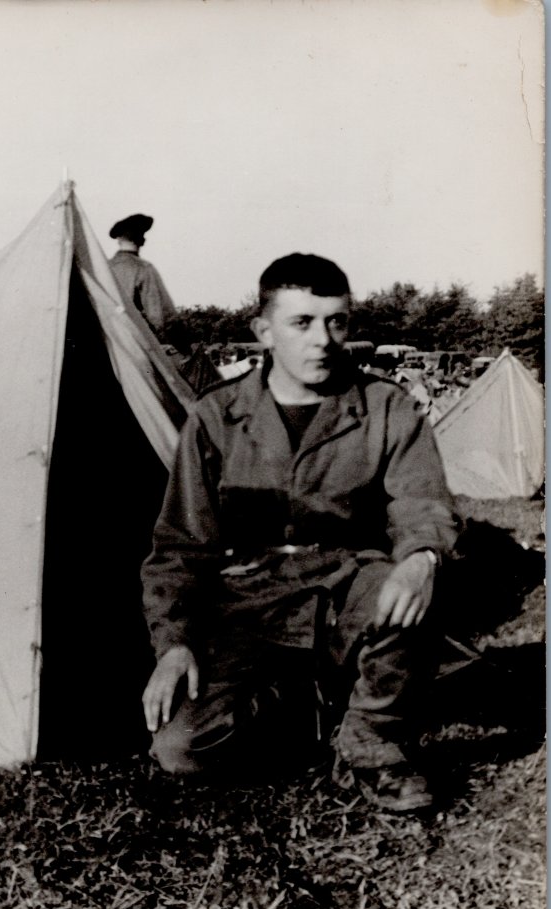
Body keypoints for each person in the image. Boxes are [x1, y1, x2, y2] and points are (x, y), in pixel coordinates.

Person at [140, 253, 459, 813]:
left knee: (404, 582)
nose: (323, 339)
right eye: (302, 323)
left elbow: (422, 503)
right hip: (247, 601)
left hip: (346, 583)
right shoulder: (216, 417)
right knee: (180, 751)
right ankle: (306, 710)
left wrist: (423, 557)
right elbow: (181, 545)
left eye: (337, 321)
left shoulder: (387, 408)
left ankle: (371, 740)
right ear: (263, 331)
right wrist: (174, 644)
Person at [109, 213, 176, 335]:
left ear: (118, 240)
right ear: (142, 240)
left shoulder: (105, 267)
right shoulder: (144, 269)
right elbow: (160, 317)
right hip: (134, 342)